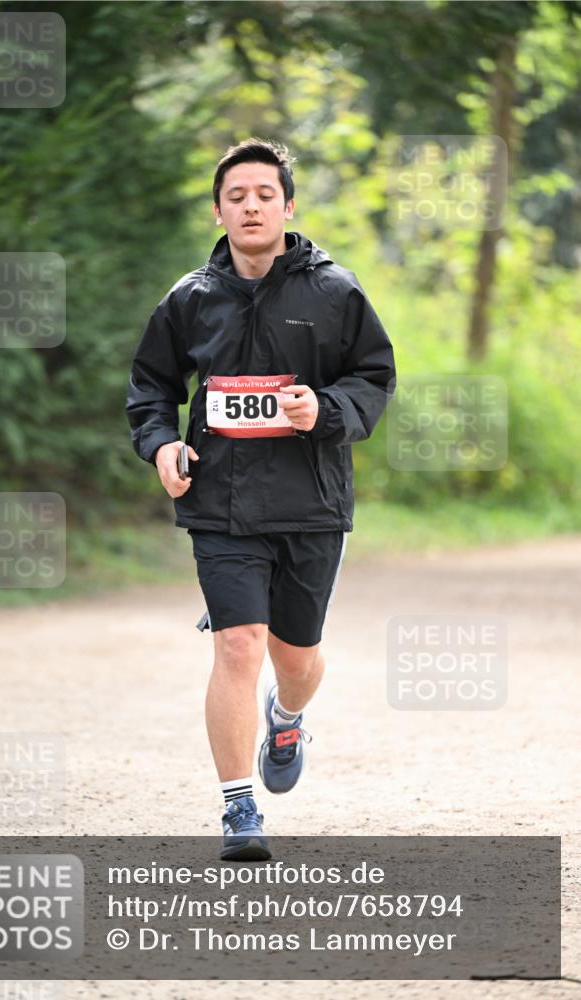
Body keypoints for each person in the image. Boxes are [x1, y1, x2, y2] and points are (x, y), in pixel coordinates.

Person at [126, 138, 396, 861]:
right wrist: (160, 447)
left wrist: (327, 408)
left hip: (309, 503)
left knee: (295, 657)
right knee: (239, 646)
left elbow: (373, 377)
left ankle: (288, 716)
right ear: (217, 210)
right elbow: (151, 389)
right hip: (220, 506)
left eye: (264, 195)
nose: (250, 206)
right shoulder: (189, 299)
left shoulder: (335, 292)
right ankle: (237, 808)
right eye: (236, 196)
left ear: (287, 205)